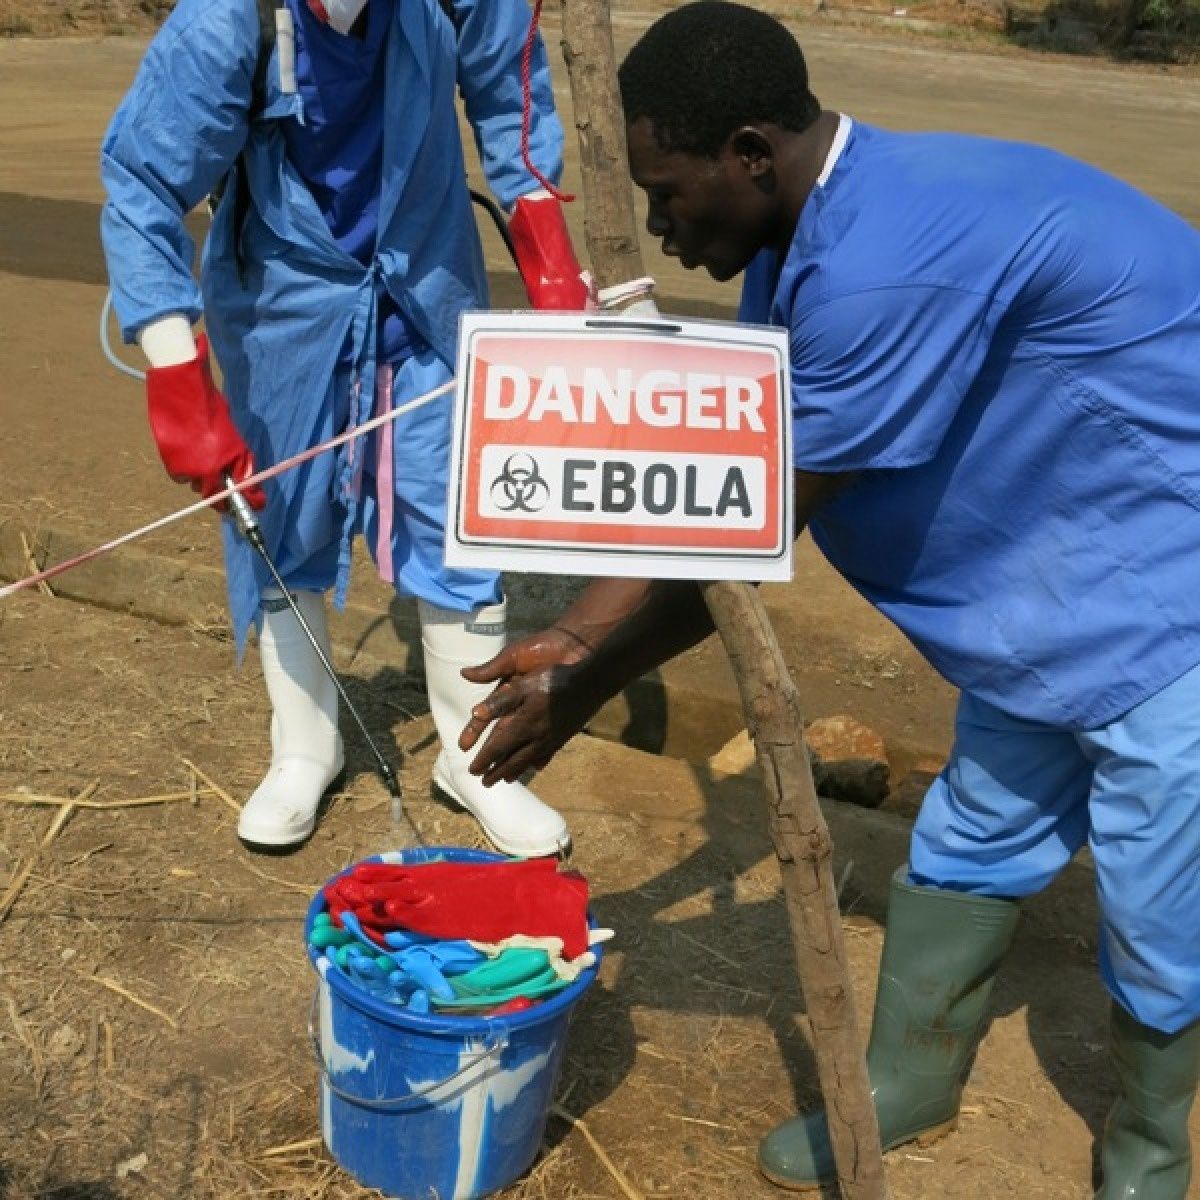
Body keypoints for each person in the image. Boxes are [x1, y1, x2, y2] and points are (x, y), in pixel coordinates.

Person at [454, 2, 1200, 1193]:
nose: (656, 223)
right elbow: (734, 505)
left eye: (668, 191)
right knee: (975, 840)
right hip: (1053, 603)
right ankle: (906, 1086)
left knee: (1163, 907)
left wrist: (584, 665)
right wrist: (578, 638)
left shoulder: (877, 267)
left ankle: (1152, 1152)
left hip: (1167, 609)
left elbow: (747, 529)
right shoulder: (823, 224)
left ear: (752, 152)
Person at [100, 0, 592, 857]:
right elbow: (143, 183)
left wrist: (554, 280)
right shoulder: (228, 23)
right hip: (284, 311)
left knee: (458, 524)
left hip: (427, 293)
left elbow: (513, 118)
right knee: (277, 521)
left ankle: (476, 760)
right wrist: (179, 377)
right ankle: (304, 748)